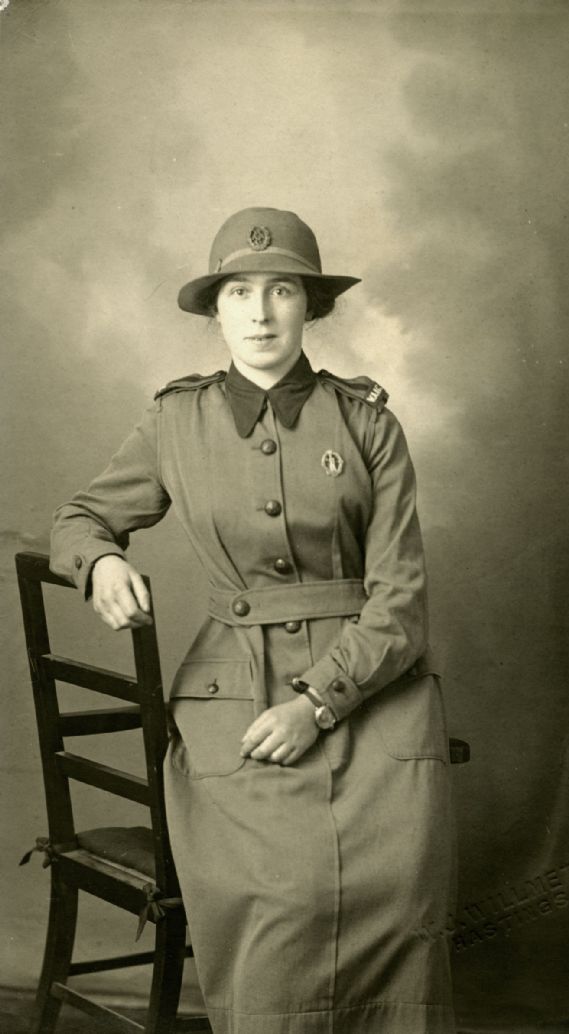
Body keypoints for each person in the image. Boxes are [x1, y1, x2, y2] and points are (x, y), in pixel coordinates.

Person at [50, 207, 456, 1034]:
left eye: (281, 291)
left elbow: (401, 601)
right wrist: (101, 560)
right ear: (216, 310)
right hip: (232, 703)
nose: (261, 313)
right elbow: (79, 518)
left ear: (312, 306)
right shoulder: (175, 421)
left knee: (400, 887)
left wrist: (316, 704)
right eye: (240, 292)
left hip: (375, 691)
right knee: (286, 896)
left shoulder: (370, 423)